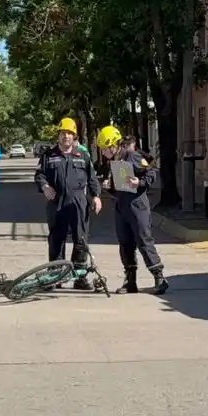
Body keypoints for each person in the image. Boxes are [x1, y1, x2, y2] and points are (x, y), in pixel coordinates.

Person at [96, 124, 168, 295]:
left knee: (144, 241)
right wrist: (108, 186)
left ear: (114, 145)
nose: (103, 153)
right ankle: (130, 281)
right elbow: (118, 185)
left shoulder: (132, 156)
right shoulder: (114, 161)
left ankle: (159, 278)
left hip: (137, 206)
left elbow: (150, 173)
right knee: (125, 243)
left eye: (105, 149)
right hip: (121, 205)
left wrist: (139, 182)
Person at [35, 116, 102, 290]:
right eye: (63, 133)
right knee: (57, 239)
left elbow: (92, 179)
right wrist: (45, 186)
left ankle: (79, 277)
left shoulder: (83, 155)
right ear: (58, 135)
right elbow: (39, 175)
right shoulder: (49, 156)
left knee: (81, 239)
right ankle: (56, 276)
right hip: (56, 202)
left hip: (78, 202)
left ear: (74, 136)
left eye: (70, 133)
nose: (66, 137)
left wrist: (96, 196)